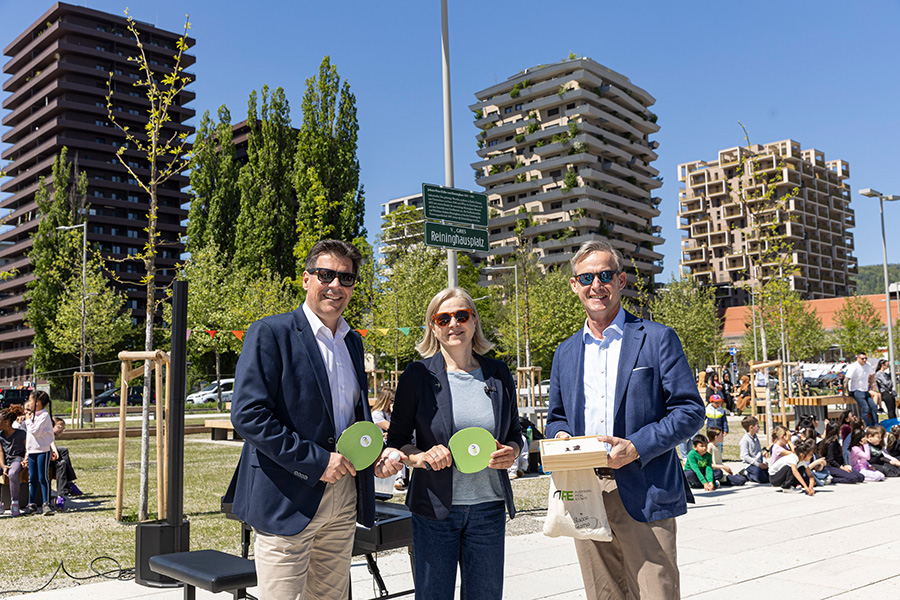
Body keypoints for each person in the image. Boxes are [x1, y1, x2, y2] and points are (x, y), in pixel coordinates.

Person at [228, 239, 400, 600]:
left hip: (343, 497)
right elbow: (248, 415)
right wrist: (317, 462)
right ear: (306, 279)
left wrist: (373, 452)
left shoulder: (352, 342)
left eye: (346, 278)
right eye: (326, 275)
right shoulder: (271, 333)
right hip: (286, 496)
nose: (335, 285)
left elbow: (351, 418)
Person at [545, 240, 705, 600]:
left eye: (604, 275)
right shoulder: (566, 351)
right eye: (585, 277)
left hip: (644, 488)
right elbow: (556, 417)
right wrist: (560, 436)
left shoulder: (658, 338)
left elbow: (689, 410)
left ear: (620, 280)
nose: (595, 285)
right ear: (574, 285)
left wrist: (636, 446)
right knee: (603, 594)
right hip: (585, 491)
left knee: (655, 593)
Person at [383, 287, 520, 600]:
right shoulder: (417, 375)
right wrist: (420, 457)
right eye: (443, 318)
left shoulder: (497, 373)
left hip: (489, 508)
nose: (453, 324)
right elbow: (399, 440)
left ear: (474, 322)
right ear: (433, 326)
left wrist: (512, 451)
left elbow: (514, 431)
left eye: (462, 315)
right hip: (434, 509)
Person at [23, 390, 59, 515]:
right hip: (32, 451)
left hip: (42, 450)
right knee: (32, 478)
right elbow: (29, 435)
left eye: (30, 400)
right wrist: (27, 453)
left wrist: (28, 420)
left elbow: (36, 432)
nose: (28, 403)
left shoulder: (44, 416)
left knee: (43, 477)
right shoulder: (32, 415)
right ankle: (32, 504)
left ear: (37, 402)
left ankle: (46, 503)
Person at [51, 417, 84, 511]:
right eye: (60, 427)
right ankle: (69, 484)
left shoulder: (51, 436)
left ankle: (61, 496)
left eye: (64, 428)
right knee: (64, 451)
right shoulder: (47, 433)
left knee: (62, 463)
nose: (62, 430)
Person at [0, 405, 27, 517]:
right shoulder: (0, 436)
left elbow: (27, 448)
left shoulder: (21, 433)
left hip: (17, 459)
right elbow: (0, 452)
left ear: (6, 422)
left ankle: (14, 503)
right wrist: (3, 465)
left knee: (13, 473)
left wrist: (26, 459)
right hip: (4, 459)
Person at [845, 353, 877, 426]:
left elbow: (872, 375)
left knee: (874, 407)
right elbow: (846, 379)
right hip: (856, 390)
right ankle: (864, 426)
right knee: (865, 408)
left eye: (866, 358)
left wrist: (870, 385)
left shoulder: (867, 366)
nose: (864, 360)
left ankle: (875, 424)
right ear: (858, 359)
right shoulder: (854, 367)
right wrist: (845, 393)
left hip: (865, 390)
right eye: (862, 359)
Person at [739, 416, 769, 483]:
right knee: (762, 478)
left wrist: (764, 462)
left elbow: (759, 452)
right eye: (757, 426)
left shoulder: (756, 438)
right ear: (751, 427)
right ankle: (746, 473)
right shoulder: (745, 440)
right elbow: (745, 456)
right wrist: (758, 464)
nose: (759, 428)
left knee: (770, 476)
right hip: (751, 465)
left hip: (759, 463)